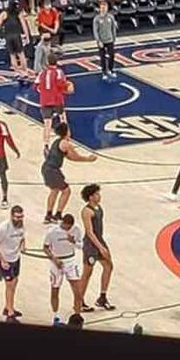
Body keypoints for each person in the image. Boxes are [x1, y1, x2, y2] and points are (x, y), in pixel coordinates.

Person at [42, 121, 98, 223]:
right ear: (67, 131)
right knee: (66, 191)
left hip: (46, 168)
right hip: (53, 169)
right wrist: (88, 159)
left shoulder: (57, 141)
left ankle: (48, 215)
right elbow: (75, 157)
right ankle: (58, 215)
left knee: (54, 190)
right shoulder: (66, 144)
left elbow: (69, 157)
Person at [43, 211, 87, 325]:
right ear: (63, 223)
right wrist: (54, 259)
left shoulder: (76, 229)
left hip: (71, 260)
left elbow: (81, 245)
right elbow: (45, 247)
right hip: (56, 261)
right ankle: (55, 316)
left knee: (78, 291)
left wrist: (73, 241)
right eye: (67, 227)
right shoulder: (52, 231)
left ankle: (77, 316)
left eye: (70, 227)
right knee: (55, 290)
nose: (69, 229)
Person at [81, 183, 114, 311]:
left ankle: (102, 297)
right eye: (96, 194)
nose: (99, 196)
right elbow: (89, 232)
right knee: (87, 273)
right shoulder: (87, 211)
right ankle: (80, 301)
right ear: (90, 197)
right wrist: (100, 247)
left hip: (100, 240)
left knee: (109, 266)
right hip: (91, 245)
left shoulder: (99, 208)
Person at [0, 204, 25, 322]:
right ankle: (10, 313)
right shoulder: (3, 227)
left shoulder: (21, 225)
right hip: (5, 260)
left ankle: (8, 306)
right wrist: (2, 260)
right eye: (17, 217)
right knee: (9, 285)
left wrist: (22, 246)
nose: (19, 219)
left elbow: (22, 238)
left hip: (15, 258)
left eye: (21, 217)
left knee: (15, 282)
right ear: (11, 216)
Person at [36, 50, 74, 150]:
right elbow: (61, 84)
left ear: (47, 62)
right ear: (56, 62)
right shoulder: (59, 72)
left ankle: (46, 145)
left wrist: (45, 92)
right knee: (63, 120)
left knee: (47, 124)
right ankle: (67, 140)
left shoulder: (41, 73)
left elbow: (37, 87)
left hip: (44, 100)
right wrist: (68, 87)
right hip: (57, 99)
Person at [0, 0, 32, 83]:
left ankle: (17, 72)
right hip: (17, 35)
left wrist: (3, 31)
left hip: (8, 36)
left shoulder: (4, 13)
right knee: (21, 54)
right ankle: (25, 71)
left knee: (12, 55)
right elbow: (24, 25)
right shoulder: (18, 13)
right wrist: (27, 36)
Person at [93, 0, 117, 78]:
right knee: (102, 57)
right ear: (100, 8)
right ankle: (104, 72)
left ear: (107, 8)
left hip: (110, 40)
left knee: (112, 55)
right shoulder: (96, 19)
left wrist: (114, 37)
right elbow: (95, 31)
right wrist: (98, 41)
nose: (103, 8)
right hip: (101, 41)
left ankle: (110, 69)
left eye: (105, 7)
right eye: (102, 7)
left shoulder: (111, 17)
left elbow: (113, 28)